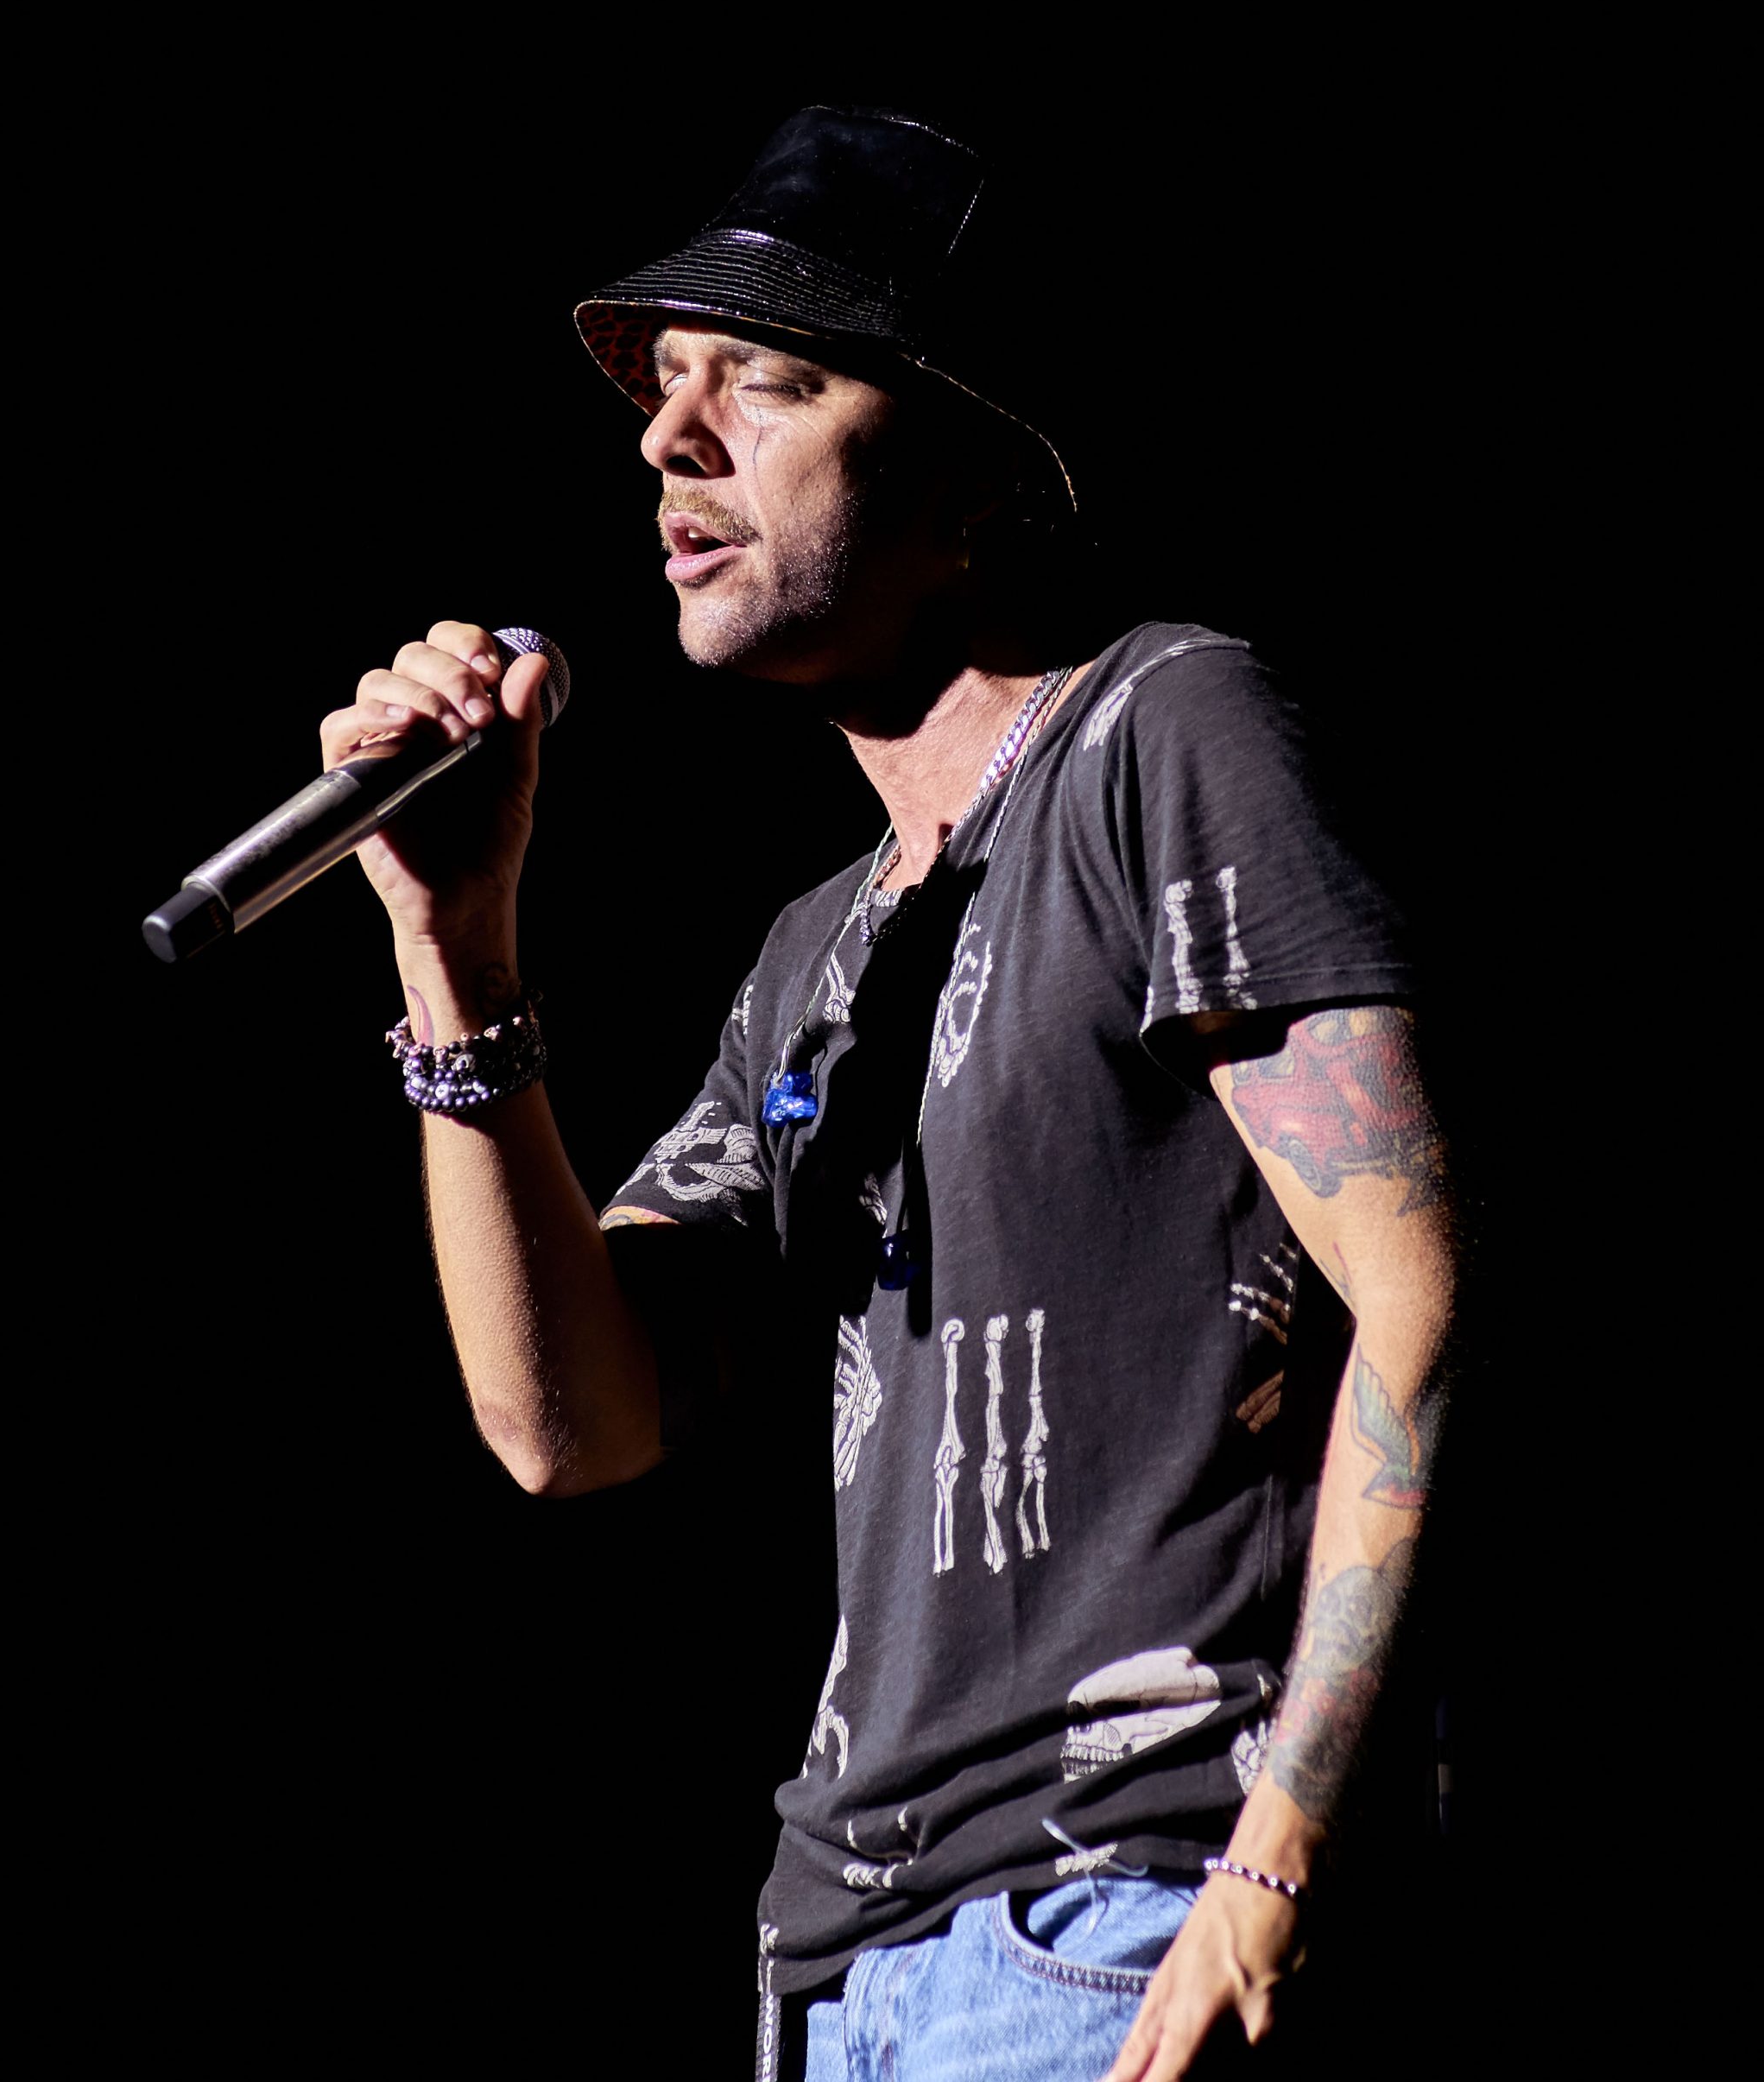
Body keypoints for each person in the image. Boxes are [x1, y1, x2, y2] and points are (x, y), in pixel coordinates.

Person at [320, 107, 1459, 2080]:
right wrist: (458, 951)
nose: (672, 440)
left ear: (972, 469)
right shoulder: (815, 956)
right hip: (852, 1955)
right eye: (665, 386)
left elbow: (1423, 1298)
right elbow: (570, 1425)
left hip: (1125, 1906)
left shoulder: (1161, 730)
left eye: (764, 380)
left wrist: (1276, 1856)